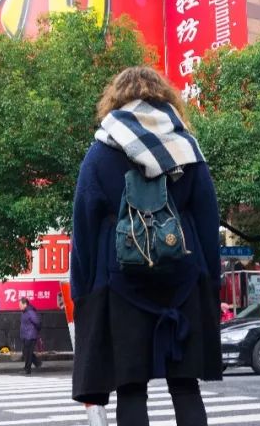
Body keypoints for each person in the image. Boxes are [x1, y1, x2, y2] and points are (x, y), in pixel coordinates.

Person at [70, 66, 222, 426]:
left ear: (116, 99)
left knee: (131, 390)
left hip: (121, 284)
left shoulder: (101, 150)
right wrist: (211, 283)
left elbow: (85, 227)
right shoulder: (187, 147)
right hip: (183, 281)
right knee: (185, 387)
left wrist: (84, 291)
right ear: (164, 98)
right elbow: (206, 221)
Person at [19, 297, 43, 374]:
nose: (19, 306)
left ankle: (27, 369)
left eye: (20, 304)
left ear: (25, 304)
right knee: (25, 352)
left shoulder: (30, 312)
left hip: (31, 336)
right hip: (25, 335)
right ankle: (37, 363)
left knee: (28, 353)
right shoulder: (24, 312)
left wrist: (36, 332)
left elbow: (37, 322)